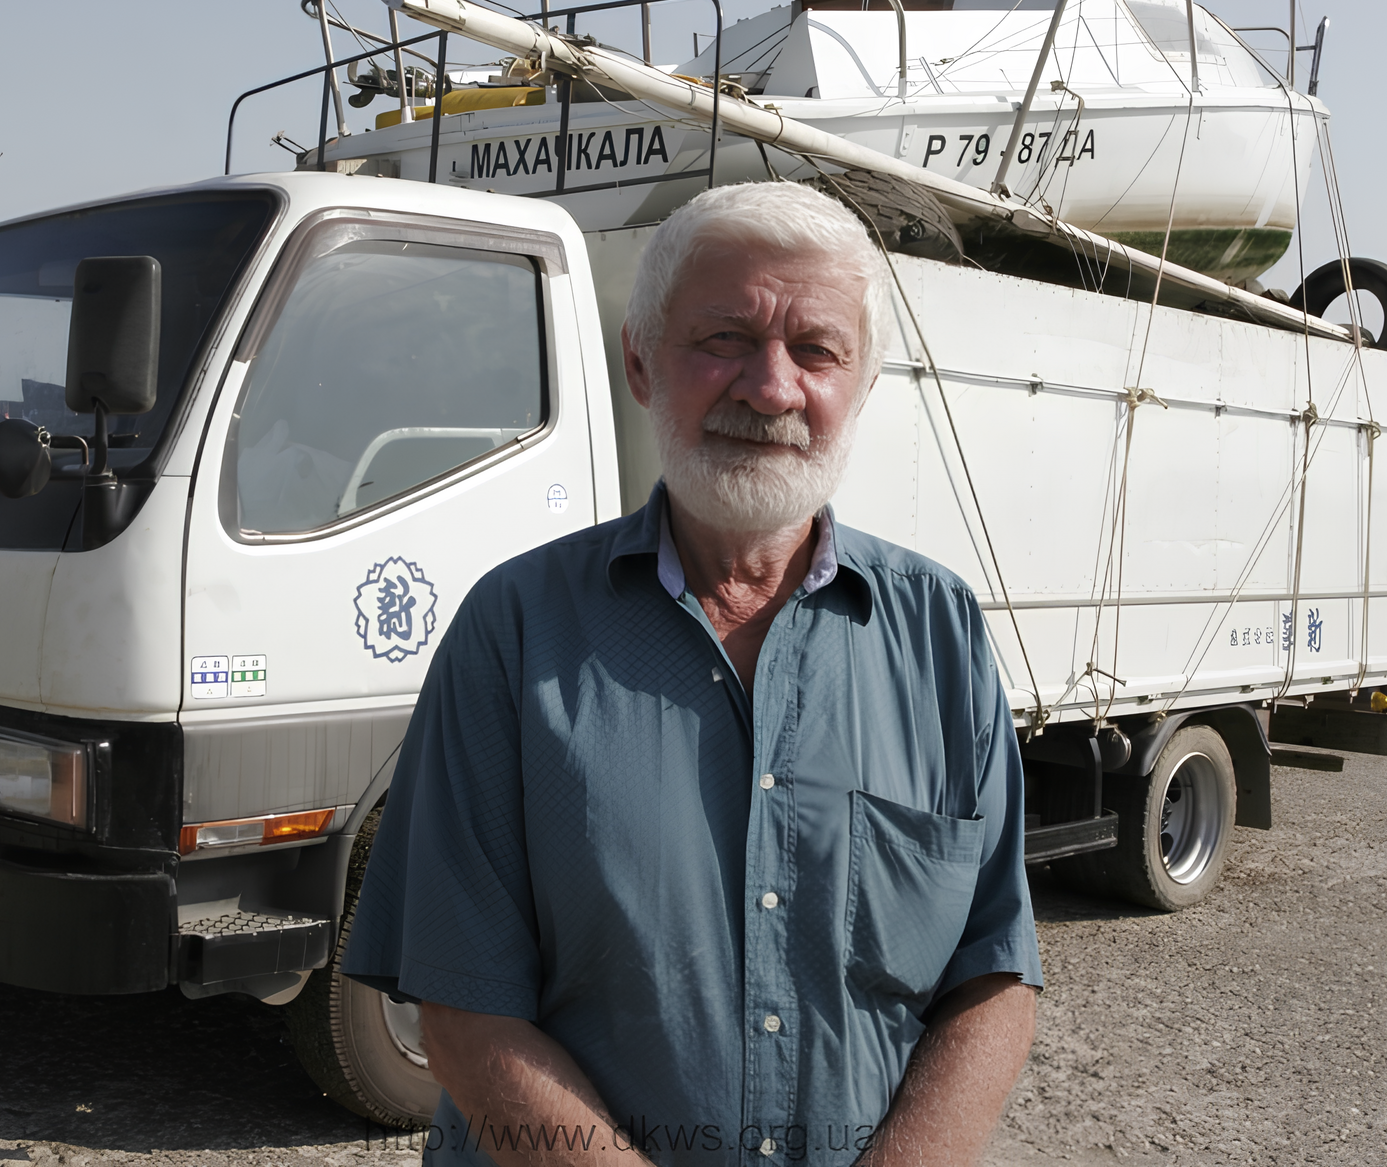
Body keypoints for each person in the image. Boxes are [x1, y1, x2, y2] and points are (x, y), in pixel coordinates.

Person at [344, 181, 1041, 1166]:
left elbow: (994, 976)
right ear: (639, 361)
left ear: (860, 383)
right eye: (721, 340)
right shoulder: (513, 632)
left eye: (815, 350)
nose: (768, 387)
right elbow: (460, 1015)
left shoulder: (937, 632)